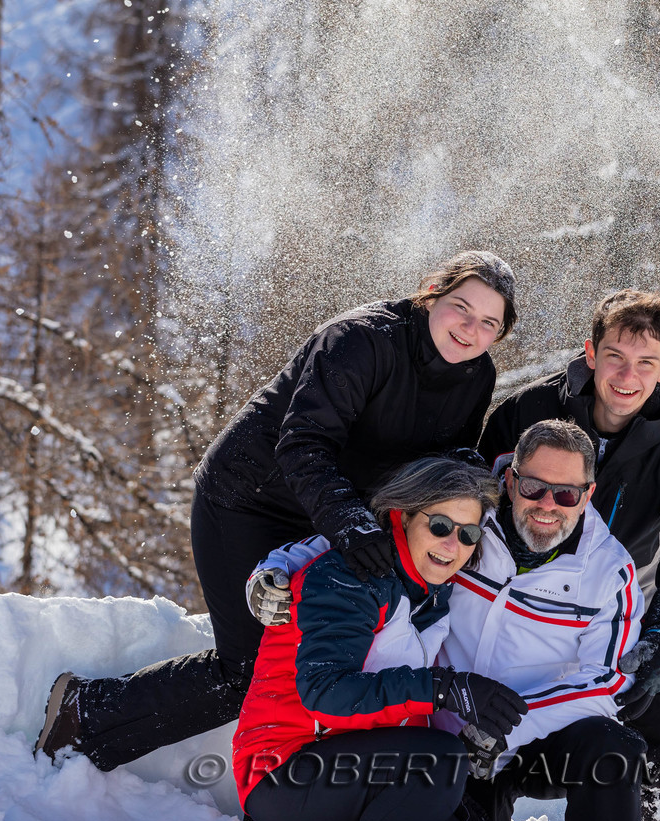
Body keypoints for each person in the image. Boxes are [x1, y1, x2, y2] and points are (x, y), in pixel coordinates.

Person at [37, 251, 517, 770]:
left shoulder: (475, 377)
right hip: (250, 498)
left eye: (489, 322)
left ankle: (312, 789)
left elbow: (441, 472)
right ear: (430, 296)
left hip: (336, 514)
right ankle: (87, 714)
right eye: (460, 307)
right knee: (247, 667)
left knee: (325, 659)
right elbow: (305, 443)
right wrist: (351, 526)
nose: (470, 329)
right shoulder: (360, 341)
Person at [255, 420, 649, 821]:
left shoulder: (606, 570)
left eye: (566, 494)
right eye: (534, 487)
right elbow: (358, 545)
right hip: (406, 751)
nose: (548, 504)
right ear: (511, 480)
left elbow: (607, 679)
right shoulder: (469, 522)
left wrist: (501, 725)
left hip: (501, 739)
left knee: (607, 755)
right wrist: (276, 566)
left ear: (588, 495)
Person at [477, 290, 660, 821]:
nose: (627, 376)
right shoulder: (528, 412)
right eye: (615, 356)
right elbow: (472, 499)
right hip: (518, 598)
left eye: (645, 363)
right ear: (590, 353)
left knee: (659, 726)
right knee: (486, 718)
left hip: (622, 606)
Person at [234, 457, 526, 821]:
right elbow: (326, 695)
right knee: (439, 759)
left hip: (360, 778)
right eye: (442, 525)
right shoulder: (349, 576)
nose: (453, 545)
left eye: (469, 534)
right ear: (405, 515)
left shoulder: (429, 590)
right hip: (284, 777)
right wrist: (444, 688)